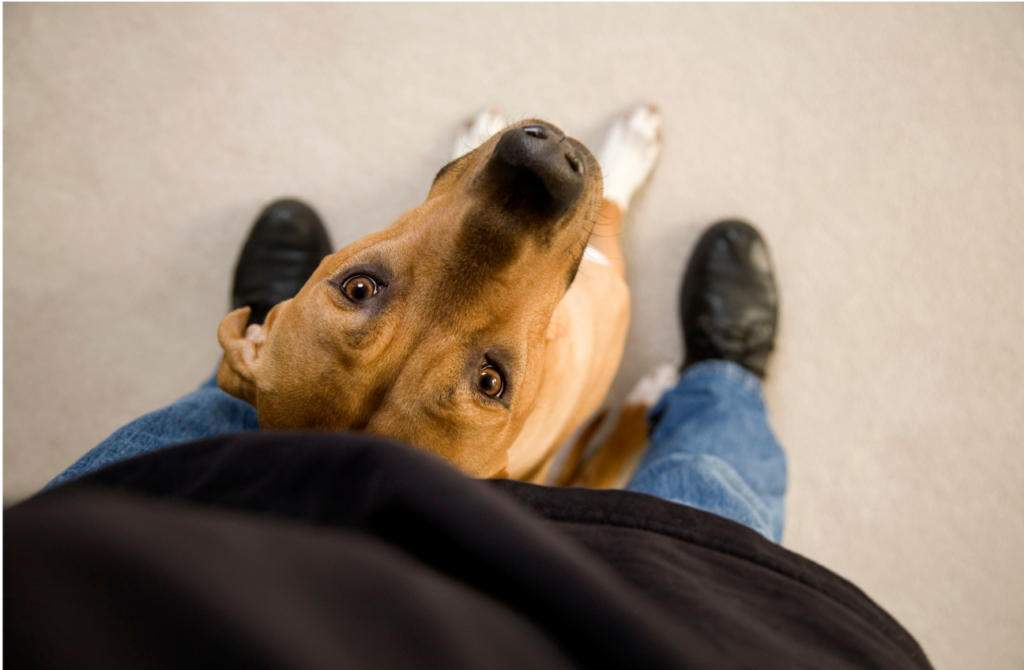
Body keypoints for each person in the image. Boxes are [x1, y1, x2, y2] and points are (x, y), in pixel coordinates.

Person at [7, 200, 933, 668]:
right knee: (708, 505)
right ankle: (723, 383)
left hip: (116, 581)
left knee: (218, 438)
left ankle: (273, 351)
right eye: (491, 383)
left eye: (357, 290)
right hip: (689, 644)